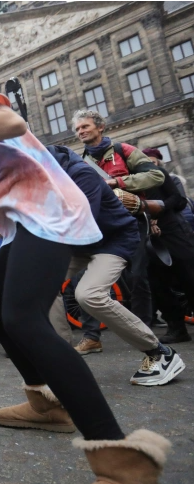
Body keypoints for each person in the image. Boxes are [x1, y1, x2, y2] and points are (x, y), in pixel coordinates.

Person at [0, 30, 170, 483]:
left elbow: (12, 125)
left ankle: (117, 453)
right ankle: (44, 403)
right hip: (25, 220)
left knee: (24, 318)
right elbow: (5, 160)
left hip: (44, 214)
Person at [47, 145, 184, 386]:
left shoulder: (80, 173)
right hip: (81, 243)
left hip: (112, 240)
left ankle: (159, 353)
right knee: (42, 285)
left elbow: (81, 218)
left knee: (88, 295)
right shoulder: (43, 174)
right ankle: (62, 362)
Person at [73, 110, 164, 345]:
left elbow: (156, 176)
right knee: (83, 279)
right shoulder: (81, 162)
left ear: (100, 127)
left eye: (85, 126)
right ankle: (91, 336)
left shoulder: (125, 151)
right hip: (101, 225)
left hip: (131, 221)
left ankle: (144, 331)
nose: (80, 131)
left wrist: (117, 181)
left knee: (137, 276)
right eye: (77, 129)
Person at [141, 148, 194, 343]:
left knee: (189, 277)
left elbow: (178, 200)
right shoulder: (126, 182)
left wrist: (157, 211)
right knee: (158, 284)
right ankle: (177, 328)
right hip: (150, 238)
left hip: (173, 231)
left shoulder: (159, 174)